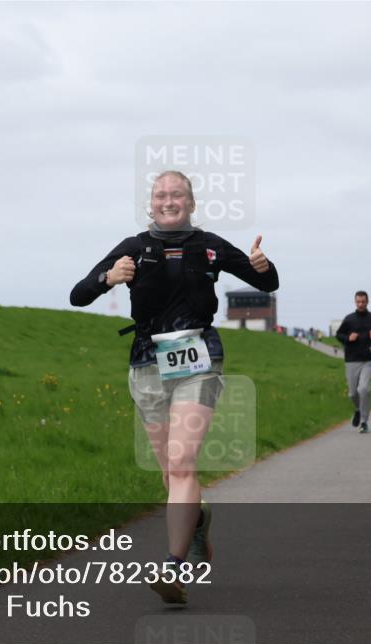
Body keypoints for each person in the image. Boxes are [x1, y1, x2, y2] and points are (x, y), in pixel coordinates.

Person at [70, 170, 277, 605]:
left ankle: (173, 567)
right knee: (170, 473)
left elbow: (266, 282)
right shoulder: (134, 248)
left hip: (199, 356)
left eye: (177, 194)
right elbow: (78, 295)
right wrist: (108, 278)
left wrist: (263, 264)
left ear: (190, 202)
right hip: (147, 361)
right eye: (161, 194)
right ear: (152, 202)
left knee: (183, 462)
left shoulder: (210, 245)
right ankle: (197, 524)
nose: (168, 200)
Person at [335, 291, 371, 434]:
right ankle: (358, 409)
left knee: (363, 389)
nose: (360, 304)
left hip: (368, 361)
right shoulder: (349, 319)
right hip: (351, 360)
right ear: (355, 302)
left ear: (367, 302)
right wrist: (348, 338)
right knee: (352, 394)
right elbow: (338, 335)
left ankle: (364, 421)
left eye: (363, 301)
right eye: (358, 301)